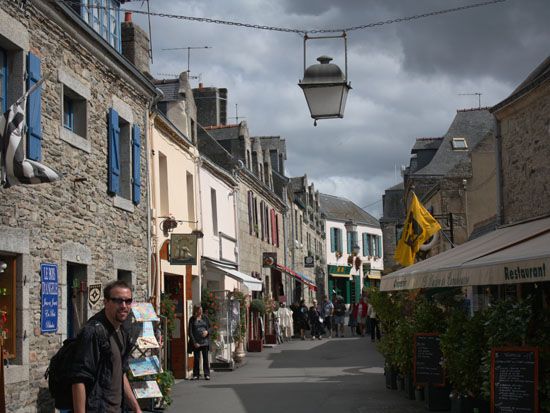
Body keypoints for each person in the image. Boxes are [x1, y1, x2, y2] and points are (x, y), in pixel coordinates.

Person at [67, 280, 142, 413]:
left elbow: (119, 372)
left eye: (128, 301)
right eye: (118, 301)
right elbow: (79, 378)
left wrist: (136, 407)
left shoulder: (122, 331)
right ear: (106, 302)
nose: (124, 306)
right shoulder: (93, 332)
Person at [188, 305, 211, 380]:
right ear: (196, 311)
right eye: (199, 310)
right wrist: (194, 342)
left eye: (201, 310)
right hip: (196, 342)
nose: (201, 311)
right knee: (196, 359)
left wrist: (207, 332)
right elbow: (190, 332)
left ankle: (207, 374)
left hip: (205, 342)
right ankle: (196, 374)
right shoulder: (192, 319)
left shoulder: (205, 318)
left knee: (205, 358)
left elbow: (210, 328)